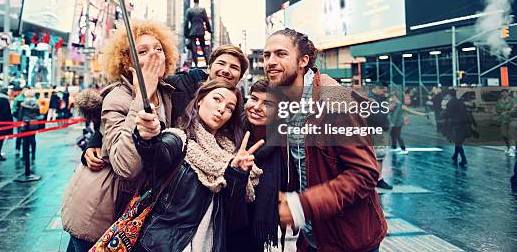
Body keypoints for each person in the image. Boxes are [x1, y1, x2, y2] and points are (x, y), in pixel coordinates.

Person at [264, 28, 386, 252]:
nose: (270, 61)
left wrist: (303, 205)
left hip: (350, 239)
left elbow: (365, 173)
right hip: (311, 235)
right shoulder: (280, 104)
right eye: (266, 55)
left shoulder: (337, 101)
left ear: (303, 61)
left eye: (280, 54)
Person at [61, 20, 178, 252]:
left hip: (132, 212)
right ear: (128, 63)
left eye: (158, 48)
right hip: (98, 213)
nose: (153, 55)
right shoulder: (118, 98)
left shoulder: (168, 94)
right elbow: (126, 166)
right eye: (142, 51)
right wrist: (139, 100)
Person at [130, 79, 263, 252]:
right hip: (163, 247)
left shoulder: (231, 154)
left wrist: (237, 173)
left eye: (230, 108)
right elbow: (156, 155)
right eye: (217, 99)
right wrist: (147, 137)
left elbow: (235, 219)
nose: (222, 109)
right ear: (200, 99)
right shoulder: (178, 139)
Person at [82, 44, 249, 171]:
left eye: (234, 67)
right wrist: (96, 139)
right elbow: (133, 95)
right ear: (210, 67)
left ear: (240, 77)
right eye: (221, 63)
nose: (226, 70)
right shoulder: (179, 84)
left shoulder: (240, 112)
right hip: (166, 172)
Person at [227, 79, 287, 252]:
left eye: (267, 103)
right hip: (227, 222)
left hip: (257, 226)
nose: (257, 107)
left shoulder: (285, 144)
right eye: (253, 99)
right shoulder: (230, 131)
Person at [368, 84, 393, 190]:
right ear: (376, 88)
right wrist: (388, 109)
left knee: (377, 156)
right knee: (379, 156)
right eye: (383, 90)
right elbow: (376, 117)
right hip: (376, 130)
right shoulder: (372, 100)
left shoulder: (376, 98)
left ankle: (376, 178)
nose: (384, 93)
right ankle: (377, 179)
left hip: (376, 130)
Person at [444, 89, 475, 167]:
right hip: (464, 123)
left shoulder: (450, 103)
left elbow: (448, 114)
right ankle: (455, 155)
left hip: (455, 124)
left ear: (449, 95)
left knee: (458, 142)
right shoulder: (461, 102)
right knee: (458, 141)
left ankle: (464, 159)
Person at [184, 0, 212, 65]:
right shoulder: (202, 10)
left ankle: (196, 64)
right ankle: (207, 63)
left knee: (194, 49)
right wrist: (209, 30)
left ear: (194, 1)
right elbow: (206, 21)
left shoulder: (189, 10)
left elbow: (186, 22)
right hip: (201, 31)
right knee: (204, 47)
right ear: (198, 1)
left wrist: (186, 33)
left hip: (192, 32)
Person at [17, 88, 41, 161]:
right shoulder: (36, 104)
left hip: (25, 123)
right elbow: (38, 114)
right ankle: (33, 155)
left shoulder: (23, 104)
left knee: (25, 141)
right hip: (33, 123)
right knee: (33, 140)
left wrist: (19, 122)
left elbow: (20, 115)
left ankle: (25, 155)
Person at [497, 89, 516, 156]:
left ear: (508, 93)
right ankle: (508, 147)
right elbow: (497, 109)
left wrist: (506, 111)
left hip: (511, 119)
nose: (504, 94)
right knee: (504, 135)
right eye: (503, 93)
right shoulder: (499, 101)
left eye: (505, 93)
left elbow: (514, 108)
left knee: (512, 135)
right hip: (503, 119)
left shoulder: (512, 100)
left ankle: (513, 149)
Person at [11, 88, 27, 154]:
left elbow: (13, 110)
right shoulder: (18, 99)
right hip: (23, 119)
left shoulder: (17, 99)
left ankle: (19, 149)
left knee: (20, 135)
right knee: (22, 135)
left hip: (21, 119)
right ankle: (21, 149)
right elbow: (14, 110)